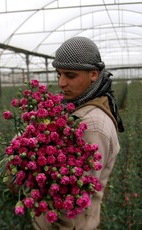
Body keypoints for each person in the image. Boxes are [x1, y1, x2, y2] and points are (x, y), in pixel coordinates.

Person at [32, 37, 124, 229]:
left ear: (93, 74)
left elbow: (70, 198)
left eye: (70, 75)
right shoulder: (80, 105)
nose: (61, 83)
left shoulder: (92, 126)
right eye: (59, 74)